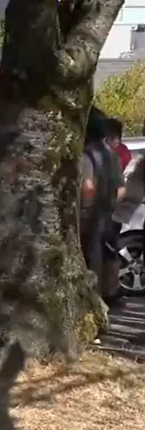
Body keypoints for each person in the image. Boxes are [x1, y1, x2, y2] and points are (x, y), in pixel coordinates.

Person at [81, 110, 124, 306]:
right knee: (109, 254)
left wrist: (85, 211)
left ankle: (92, 301)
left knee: (91, 258)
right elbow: (121, 189)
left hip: (91, 215)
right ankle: (109, 294)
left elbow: (88, 187)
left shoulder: (87, 155)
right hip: (107, 213)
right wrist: (111, 208)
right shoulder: (112, 155)